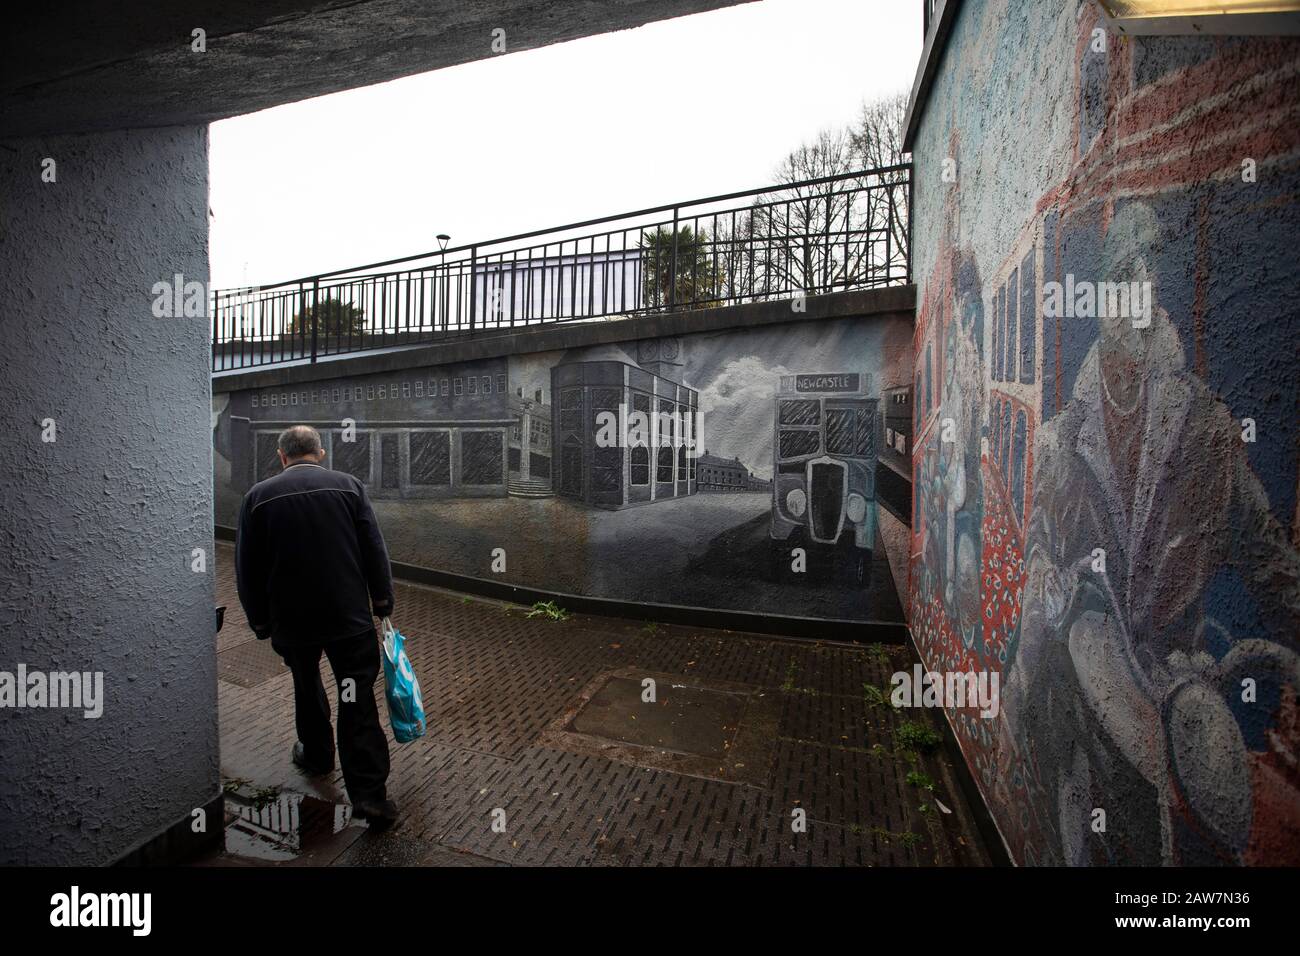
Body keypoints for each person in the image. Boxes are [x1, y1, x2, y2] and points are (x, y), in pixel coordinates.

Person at [235, 424, 399, 829]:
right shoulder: (349, 487)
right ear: (320, 453)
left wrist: (259, 621)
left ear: (282, 456)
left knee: (306, 685)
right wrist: (382, 603)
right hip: (348, 618)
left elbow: (247, 568)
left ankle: (317, 754)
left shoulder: (257, 498)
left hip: (292, 621)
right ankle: (370, 798)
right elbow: (373, 548)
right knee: (356, 699)